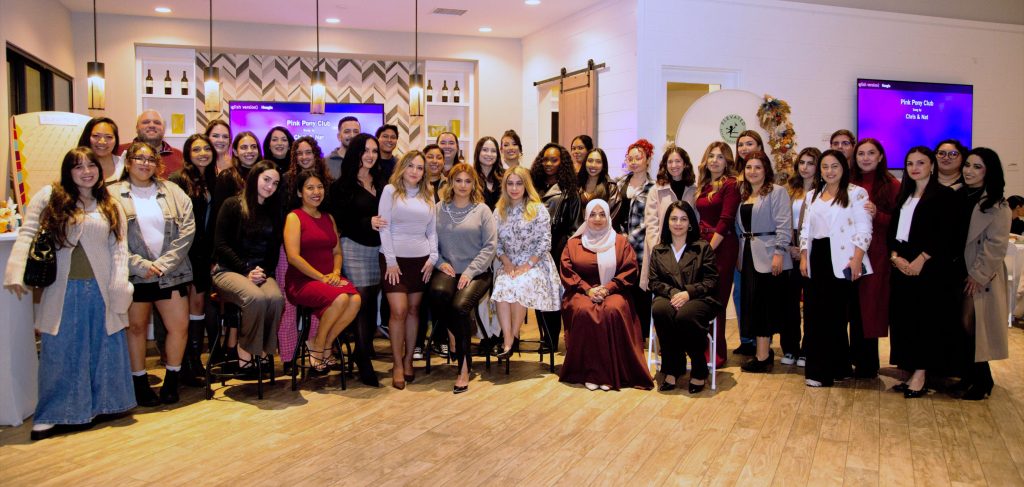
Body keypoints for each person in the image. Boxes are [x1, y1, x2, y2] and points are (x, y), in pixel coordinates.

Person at [4, 147, 134, 440]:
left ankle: (105, 406)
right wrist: (15, 271)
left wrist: (120, 285)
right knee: (60, 351)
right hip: (64, 288)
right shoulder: (51, 197)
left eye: (91, 165)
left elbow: (120, 248)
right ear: (68, 171)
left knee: (105, 348)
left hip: (102, 289)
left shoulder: (109, 202)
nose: (86, 171)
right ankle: (53, 414)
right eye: (78, 167)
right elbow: (28, 232)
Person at [109, 142, 196, 405]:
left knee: (179, 327)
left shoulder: (173, 191)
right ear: (128, 162)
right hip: (136, 276)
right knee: (135, 328)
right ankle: (139, 384)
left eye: (150, 159)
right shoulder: (112, 194)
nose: (145, 163)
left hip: (172, 274)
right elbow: (112, 236)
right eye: (139, 158)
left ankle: (172, 381)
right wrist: (141, 265)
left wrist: (164, 264)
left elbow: (187, 229)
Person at [559, 199, 653, 391]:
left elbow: (629, 270)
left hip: (615, 290)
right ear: (586, 217)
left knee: (612, 309)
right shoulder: (574, 243)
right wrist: (588, 289)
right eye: (593, 214)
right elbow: (568, 272)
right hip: (581, 292)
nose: (598, 219)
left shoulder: (620, 242)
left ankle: (611, 373)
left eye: (602, 214)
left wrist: (608, 288)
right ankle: (589, 373)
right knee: (585, 311)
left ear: (609, 216)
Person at [888, 147, 958, 398]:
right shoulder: (904, 195)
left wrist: (921, 259)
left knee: (924, 321)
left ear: (932, 165)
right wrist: (895, 258)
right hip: (902, 263)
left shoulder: (944, 195)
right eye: (909, 163)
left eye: (920, 162)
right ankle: (908, 370)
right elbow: (894, 232)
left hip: (929, 268)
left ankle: (921, 374)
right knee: (903, 319)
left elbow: (947, 234)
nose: (914, 167)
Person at [285, 170, 367, 382]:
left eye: (319, 187)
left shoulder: (328, 217)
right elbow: (293, 257)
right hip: (303, 281)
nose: (316, 192)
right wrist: (321, 277)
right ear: (299, 192)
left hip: (329, 277)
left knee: (355, 299)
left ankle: (324, 343)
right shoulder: (294, 217)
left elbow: (337, 252)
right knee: (340, 298)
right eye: (310, 188)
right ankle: (318, 346)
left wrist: (336, 272)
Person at [799, 149, 872, 388]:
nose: (829, 172)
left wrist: (856, 259)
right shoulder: (812, 195)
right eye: (825, 167)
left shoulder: (856, 193)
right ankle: (833, 367)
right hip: (816, 257)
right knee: (814, 315)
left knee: (835, 317)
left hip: (842, 259)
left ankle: (826, 371)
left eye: (834, 167)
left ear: (843, 168)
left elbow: (864, 230)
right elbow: (806, 231)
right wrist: (803, 256)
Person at [211, 161, 285, 377]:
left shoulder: (273, 210)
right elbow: (221, 245)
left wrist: (262, 272)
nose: (270, 186)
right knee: (256, 299)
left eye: (275, 183)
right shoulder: (232, 204)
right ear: (255, 178)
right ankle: (244, 353)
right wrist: (245, 270)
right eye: (266, 180)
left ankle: (262, 352)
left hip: (259, 272)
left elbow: (272, 251)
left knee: (276, 299)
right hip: (228, 271)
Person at [429, 163, 497, 394]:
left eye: (468, 181)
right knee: (437, 295)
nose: (463, 185)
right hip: (448, 268)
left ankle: (464, 368)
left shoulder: (482, 210)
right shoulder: (438, 209)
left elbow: (490, 248)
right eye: (458, 180)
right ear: (450, 182)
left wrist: (469, 272)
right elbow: (429, 242)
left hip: (477, 272)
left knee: (459, 307)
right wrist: (439, 262)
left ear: (474, 184)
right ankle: (457, 332)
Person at [327, 133, 386, 379]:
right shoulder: (342, 186)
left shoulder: (382, 182)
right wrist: (366, 221)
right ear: (356, 154)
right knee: (361, 299)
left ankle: (364, 348)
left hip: (379, 248)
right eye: (366, 151)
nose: (370, 155)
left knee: (372, 299)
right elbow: (338, 221)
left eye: (374, 151)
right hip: (353, 247)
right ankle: (362, 357)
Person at [378, 151, 439, 389]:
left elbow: (431, 230)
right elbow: (384, 227)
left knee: (414, 310)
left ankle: (408, 359)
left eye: (420, 167)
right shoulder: (390, 191)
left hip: (421, 260)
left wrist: (433, 257)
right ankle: (396, 363)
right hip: (394, 260)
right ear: (402, 167)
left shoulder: (428, 193)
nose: (415, 171)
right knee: (399, 311)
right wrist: (391, 261)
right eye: (411, 166)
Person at [956, 147, 1011, 400]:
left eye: (977, 167)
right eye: (967, 165)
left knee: (973, 327)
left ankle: (982, 380)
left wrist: (977, 275)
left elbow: (995, 246)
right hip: (955, 270)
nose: (969, 171)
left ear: (989, 171)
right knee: (960, 326)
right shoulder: (959, 195)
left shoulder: (997, 205)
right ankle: (967, 376)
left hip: (978, 276)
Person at [649, 200, 721, 394]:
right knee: (660, 310)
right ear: (667, 222)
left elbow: (712, 280)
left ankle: (699, 367)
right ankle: (673, 367)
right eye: (674, 219)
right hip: (669, 297)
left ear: (690, 223)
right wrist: (674, 293)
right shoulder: (659, 249)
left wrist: (688, 293)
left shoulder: (702, 247)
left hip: (700, 298)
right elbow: (654, 282)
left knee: (686, 316)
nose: (678, 223)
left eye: (683, 219)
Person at [490, 166, 562, 358]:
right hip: (509, 263)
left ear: (526, 185)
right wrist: (505, 262)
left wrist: (527, 265)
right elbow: (494, 242)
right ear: (505, 186)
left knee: (520, 286)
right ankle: (508, 339)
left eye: (519, 183)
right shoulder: (499, 211)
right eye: (510, 183)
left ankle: (512, 337)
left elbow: (545, 242)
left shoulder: (538, 209)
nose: (514, 188)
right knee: (503, 286)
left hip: (536, 264)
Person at [167, 134, 218, 385]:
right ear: (188, 153)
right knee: (181, 312)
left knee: (198, 307)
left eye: (206, 148)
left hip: (204, 254)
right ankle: (182, 363)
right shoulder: (177, 180)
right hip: (183, 253)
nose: (202, 153)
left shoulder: (214, 179)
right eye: (196, 149)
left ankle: (195, 361)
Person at [735, 151, 792, 372]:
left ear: (766, 169)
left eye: (757, 167)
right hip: (748, 255)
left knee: (765, 307)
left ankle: (762, 356)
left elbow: (784, 225)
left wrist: (779, 253)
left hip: (770, 256)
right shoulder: (744, 193)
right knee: (753, 305)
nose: (752, 171)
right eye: (748, 167)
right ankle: (763, 354)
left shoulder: (777, 192)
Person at [848, 138, 900, 379]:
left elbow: (900, 224)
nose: (865, 158)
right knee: (850, 308)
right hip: (847, 252)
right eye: (861, 154)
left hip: (876, 254)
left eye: (871, 153)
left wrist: (878, 214)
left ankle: (868, 364)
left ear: (880, 157)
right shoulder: (848, 182)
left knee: (869, 310)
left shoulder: (891, 185)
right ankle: (849, 358)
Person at [531, 143, 582, 352]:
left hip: (559, 249)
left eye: (554, 159)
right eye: (545, 159)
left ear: (562, 163)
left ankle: (559, 339)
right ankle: (546, 338)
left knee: (557, 296)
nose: (549, 164)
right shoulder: (532, 187)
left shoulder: (570, 191)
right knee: (539, 294)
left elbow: (575, 227)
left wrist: (568, 254)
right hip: (535, 250)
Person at [694, 141, 740, 364]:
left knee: (717, 299)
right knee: (703, 298)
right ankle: (702, 349)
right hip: (702, 244)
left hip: (722, 246)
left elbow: (725, 221)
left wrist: (709, 250)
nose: (714, 160)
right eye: (711, 156)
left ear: (727, 161)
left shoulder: (731, 185)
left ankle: (717, 354)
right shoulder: (704, 185)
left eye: (720, 157)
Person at [613, 139, 657, 339]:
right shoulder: (619, 183)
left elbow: (650, 220)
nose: (634, 162)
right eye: (630, 158)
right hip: (617, 247)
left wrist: (629, 239)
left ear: (648, 159)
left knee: (641, 290)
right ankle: (624, 332)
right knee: (621, 289)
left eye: (638, 158)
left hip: (640, 248)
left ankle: (642, 336)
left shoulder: (653, 188)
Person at [783, 147, 821, 367]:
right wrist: (790, 246)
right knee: (789, 303)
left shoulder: (824, 191)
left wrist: (805, 249)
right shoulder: (789, 190)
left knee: (811, 304)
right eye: (802, 163)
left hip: (813, 251)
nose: (805, 167)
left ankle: (808, 349)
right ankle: (790, 348)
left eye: (811, 163)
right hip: (790, 250)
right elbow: (781, 220)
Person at [643, 145, 696, 293]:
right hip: (662, 249)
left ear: (685, 164)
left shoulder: (693, 189)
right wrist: (657, 249)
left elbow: (696, 220)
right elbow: (651, 222)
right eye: (670, 162)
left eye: (678, 161)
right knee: (663, 292)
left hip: (687, 251)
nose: (674, 165)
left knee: (684, 292)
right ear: (665, 165)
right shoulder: (656, 190)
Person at [731, 130, 766, 355]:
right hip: (739, 246)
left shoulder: (767, 182)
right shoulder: (734, 180)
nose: (744, 148)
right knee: (739, 293)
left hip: (762, 248)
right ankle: (746, 339)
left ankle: (761, 341)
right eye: (741, 145)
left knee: (760, 296)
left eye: (749, 143)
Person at [211, 131, 262, 231]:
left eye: (253, 147)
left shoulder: (265, 176)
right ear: (235, 152)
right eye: (244, 147)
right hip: (234, 236)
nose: (250, 151)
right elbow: (218, 214)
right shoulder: (227, 176)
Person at [116, 109, 184, 176]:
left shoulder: (179, 156)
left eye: (157, 123)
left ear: (164, 129)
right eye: (146, 122)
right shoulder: (119, 152)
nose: (152, 125)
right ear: (137, 128)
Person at [281, 136, 331, 212]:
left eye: (308, 152)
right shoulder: (286, 180)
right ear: (295, 157)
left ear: (316, 155)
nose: (304, 157)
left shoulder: (327, 180)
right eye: (299, 153)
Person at [76, 117, 123, 183]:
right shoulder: (75, 166)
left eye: (109, 137)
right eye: (96, 136)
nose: (102, 141)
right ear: (87, 137)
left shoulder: (125, 165)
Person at [473, 136, 504, 209]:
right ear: (478, 152)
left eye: (493, 151)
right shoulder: (470, 176)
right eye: (485, 150)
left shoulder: (505, 176)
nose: (489, 154)